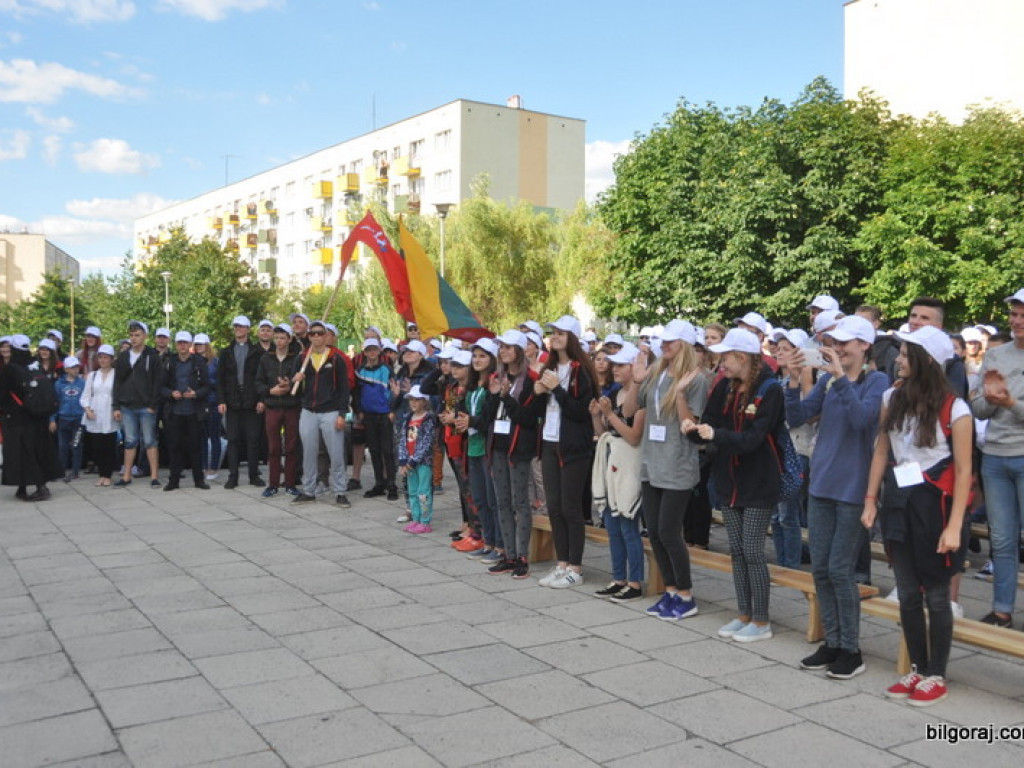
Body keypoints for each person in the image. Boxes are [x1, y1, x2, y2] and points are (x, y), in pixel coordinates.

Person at [862, 326, 971, 706]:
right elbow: (880, 451)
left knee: (937, 595)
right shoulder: (891, 396)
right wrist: (870, 499)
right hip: (899, 500)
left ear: (927, 360)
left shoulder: (956, 408)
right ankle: (918, 668)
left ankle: (936, 673)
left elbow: (963, 472)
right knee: (907, 593)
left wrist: (955, 526)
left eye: (907, 353)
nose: (898, 359)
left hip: (936, 506)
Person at [785, 314, 889, 679]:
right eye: (835, 342)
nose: (837, 348)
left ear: (864, 345)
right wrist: (794, 380)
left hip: (852, 490)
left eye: (845, 343)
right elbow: (798, 415)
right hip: (821, 484)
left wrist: (841, 379)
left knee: (841, 571)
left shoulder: (877, 381)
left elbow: (864, 420)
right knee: (822, 570)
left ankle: (851, 649)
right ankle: (832, 641)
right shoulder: (829, 381)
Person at [685, 328, 784, 642]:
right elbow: (711, 423)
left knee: (753, 551)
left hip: (758, 483)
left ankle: (761, 620)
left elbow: (754, 439)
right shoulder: (723, 386)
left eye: (725, 356)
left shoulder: (769, 389)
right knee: (737, 551)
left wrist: (715, 436)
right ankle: (743, 613)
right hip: (729, 481)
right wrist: (693, 429)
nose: (720, 362)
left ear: (742, 357)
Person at [626, 319, 709, 618]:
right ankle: (671, 590)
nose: (665, 344)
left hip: (677, 464)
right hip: (652, 461)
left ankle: (686, 595)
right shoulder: (657, 373)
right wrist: (637, 381)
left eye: (671, 341)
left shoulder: (696, 378)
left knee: (669, 532)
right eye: (663, 340)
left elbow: (692, 426)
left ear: (684, 344)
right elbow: (629, 411)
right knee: (656, 534)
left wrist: (682, 394)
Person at [970, 288, 1024, 628]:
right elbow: (977, 407)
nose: (1016, 321)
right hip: (994, 455)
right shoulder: (996, 355)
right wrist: (991, 399)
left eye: (1022, 316)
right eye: (1014, 315)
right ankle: (1002, 610)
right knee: (1002, 538)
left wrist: (1009, 404)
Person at [535, 316, 598, 589]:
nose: (555, 337)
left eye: (560, 333)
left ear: (571, 337)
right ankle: (561, 563)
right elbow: (538, 406)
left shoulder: (581, 370)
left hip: (573, 446)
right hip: (549, 441)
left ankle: (576, 566)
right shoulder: (549, 366)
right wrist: (538, 391)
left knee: (572, 507)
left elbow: (578, 411)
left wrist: (556, 389)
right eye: (553, 333)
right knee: (555, 507)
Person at [591, 342, 646, 601]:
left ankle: (635, 581)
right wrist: (597, 416)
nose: (615, 369)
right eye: (615, 364)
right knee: (612, 525)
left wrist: (609, 415)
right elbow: (605, 435)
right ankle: (618, 577)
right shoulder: (613, 394)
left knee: (628, 524)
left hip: (631, 463)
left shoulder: (640, 396)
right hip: (612, 460)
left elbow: (633, 436)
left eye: (622, 365)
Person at [485, 330, 540, 579]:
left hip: (518, 447)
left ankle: (522, 556)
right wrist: (495, 395)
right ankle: (507, 554)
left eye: (508, 347)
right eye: (501, 347)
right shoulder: (497, 376)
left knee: (520, 502)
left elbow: (527, 419)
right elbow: (489, 414)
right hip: (498, 444)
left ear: (519, 351)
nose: (503, 351)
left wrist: (506, 398)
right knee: (502, 501)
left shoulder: (530, 380)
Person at [291, 320, 351, 507]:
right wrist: (297, 379)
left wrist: (342, 414)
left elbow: (344, 389)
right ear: (308, 337)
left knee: (336, 453)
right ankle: (309, 490)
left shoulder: (336, 359)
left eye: (319, 333)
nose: (316, 337)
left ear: (326, 336)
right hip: (308, 410)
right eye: (312, 334)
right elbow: (294, 383)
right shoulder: (302, 358)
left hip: (331, 411)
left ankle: (340, 491)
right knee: (309, 452)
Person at [0, 334, 60, 501]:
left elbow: (3, 394)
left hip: (17, 419)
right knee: (36, 451)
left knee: (22, 454)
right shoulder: (34, 366)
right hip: (37, 417)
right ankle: (23, 486)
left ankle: (40, 487)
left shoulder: (10, 368)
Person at [112, 321, 163, 488]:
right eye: (132, 335)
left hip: (146, 405)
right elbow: (118, 382)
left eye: (137, 335)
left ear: (145, 336)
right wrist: (116, 406)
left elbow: (158, 382)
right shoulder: (124, 356)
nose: (134, 338)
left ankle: (154, 476)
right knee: (130, 440)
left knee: (149, 440)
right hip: (127, 405)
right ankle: (126, 475)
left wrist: (153, 404)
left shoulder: (152, 356)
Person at [217, 316, 266, 489]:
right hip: (232, 402)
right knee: (233, 440)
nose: (238, 329)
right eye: (236, 326)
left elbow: (262, 377)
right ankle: (233, 476)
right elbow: (220, 378)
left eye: (241, 326)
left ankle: (254, 475)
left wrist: (261, 399)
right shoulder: (226, 352)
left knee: (253, 440)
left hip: (252, 401)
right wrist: (222, 400)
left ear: (247, 329)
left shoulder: (257, 352)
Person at [256, 323, 302, 497]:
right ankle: (273, 484)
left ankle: (290, 483)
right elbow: (258, 382)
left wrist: (291, 383)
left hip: (291, 406)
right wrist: (270, 391)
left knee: (291, 446)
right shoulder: (266, 358)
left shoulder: (297, 358)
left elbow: (301, 382)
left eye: (283, 338)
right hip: (273, 406)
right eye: (277, 338)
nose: (279, 341)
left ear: (289, 339)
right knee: (273, 448)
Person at [161, 331, 211, 490]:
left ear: (190, 345)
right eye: (179, 343)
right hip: (175, 411)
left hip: (193, 411)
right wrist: (170, 393)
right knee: (174, 447)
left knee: (196, 447)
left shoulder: (199, 362)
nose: (182, 345)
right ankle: (173, 480)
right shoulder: (169, 362)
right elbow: (161, 386)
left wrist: (195, 394)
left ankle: (199, 480)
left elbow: (207, 386)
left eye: (185, 343)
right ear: (176, 345)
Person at [354, 338, 398, 500]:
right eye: (368, 350)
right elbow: (356, 393)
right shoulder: (360, 370)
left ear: (380, 351)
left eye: (374, 350)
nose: (371, 353)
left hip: (384, 413)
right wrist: (359, 410)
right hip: (368, 415)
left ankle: (392, 484)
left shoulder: (387, 369)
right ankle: (379, 483)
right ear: (364, 352)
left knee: (387, 450)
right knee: (374, 450)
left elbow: (394, 390)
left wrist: (392, 409)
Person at [397, 385, 438, 533]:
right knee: (412, 491)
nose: (413, 403)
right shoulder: (407, 419)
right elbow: (402, 440)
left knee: (423, 491)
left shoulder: (428, 419)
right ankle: (416, 518)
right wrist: (403, 460)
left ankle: (425, 521)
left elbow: (427, 442)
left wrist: (414, 460)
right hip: (409, 463)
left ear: (424, 401)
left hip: (422, 463)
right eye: (411, 400)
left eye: (417, 400)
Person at [80, 344, 119, 486]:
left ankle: (108, 475)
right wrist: (87, 409)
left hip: (109, 413)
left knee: (109, 445)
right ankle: (101, 474)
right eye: (101, 357)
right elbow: (85, 395)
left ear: (111, 359)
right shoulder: (92, 375)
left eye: (106, 358)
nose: (103, 360)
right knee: (97, 446)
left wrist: (117, 409)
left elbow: (118, 394)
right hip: (95, 413)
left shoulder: (116, 374)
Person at [54, 356, 85, 481]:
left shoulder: (82, 383)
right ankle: (61, 470)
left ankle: (75, 471)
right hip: (63, 418)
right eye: (72, 367)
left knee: (77, 445)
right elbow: (55, 402)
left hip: (78, 418)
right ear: (66, 369)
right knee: (62, 446)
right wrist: (52, 419)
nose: (75, 370)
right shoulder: (58, 384)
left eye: (77, 367)